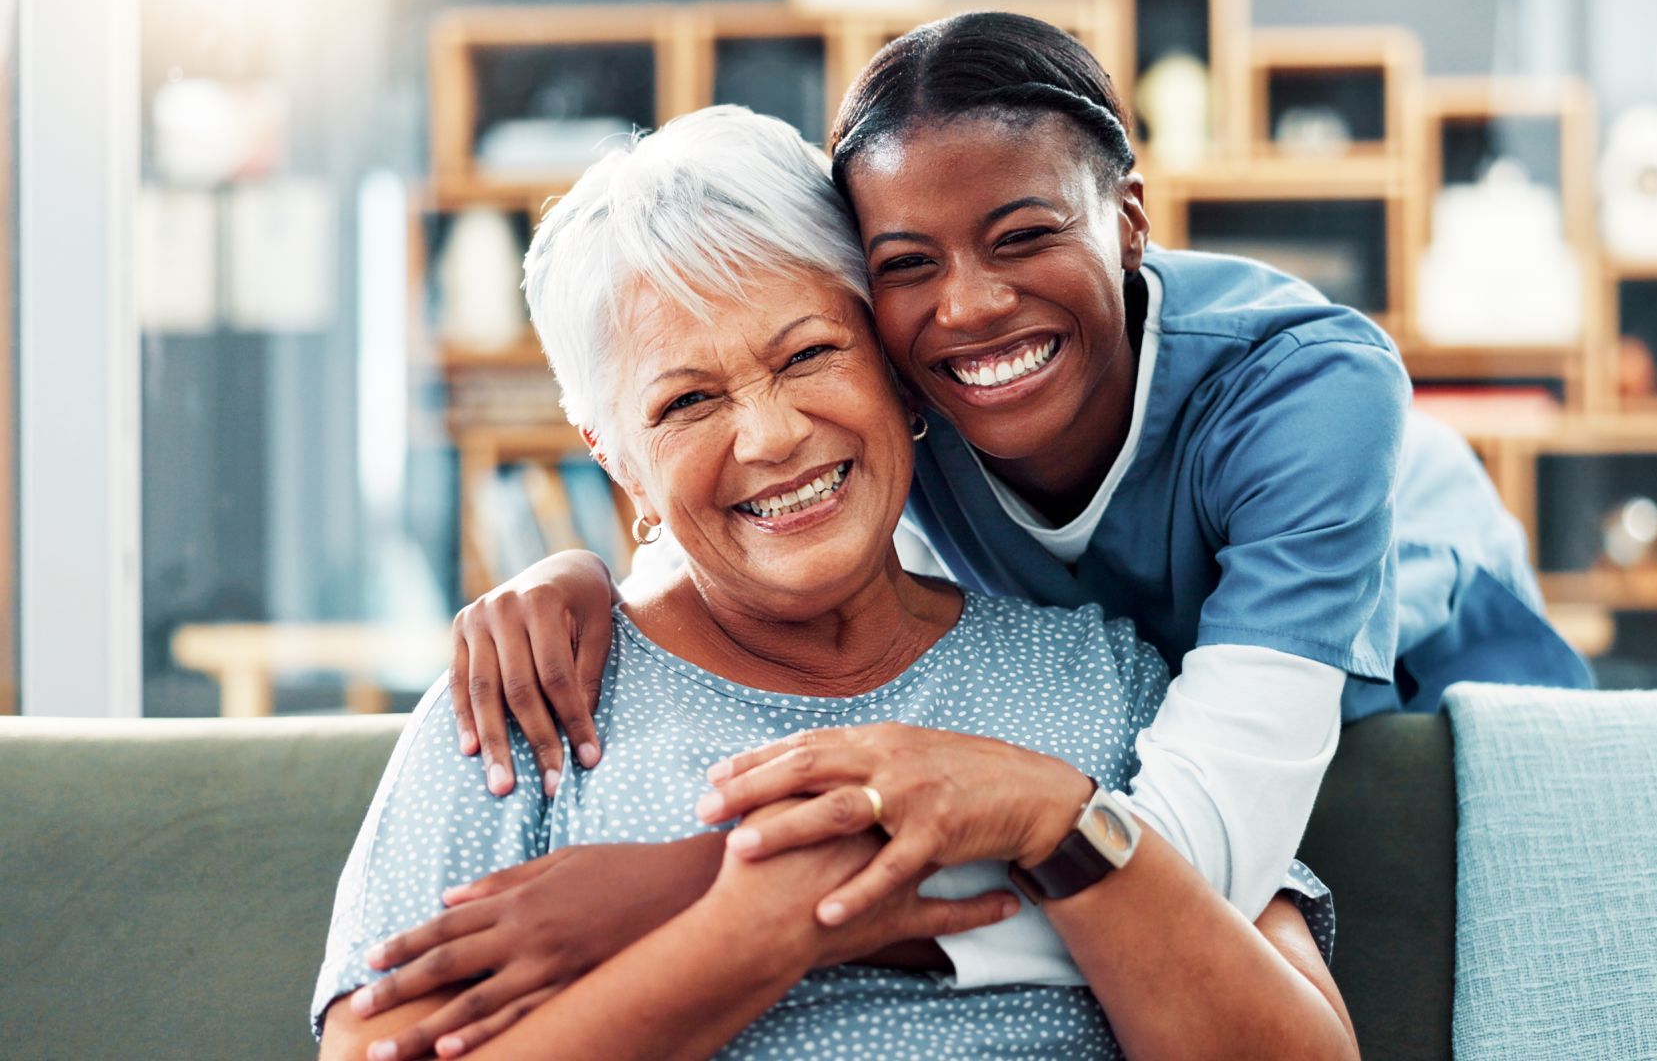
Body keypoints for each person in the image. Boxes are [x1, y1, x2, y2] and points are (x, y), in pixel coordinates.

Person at [449, 7, 1589, 928]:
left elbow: (1200, 866)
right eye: (908, 262)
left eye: (1026, 234)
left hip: (1424, 647)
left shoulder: (1302, 389)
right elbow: (763, 534)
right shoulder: (903, 395)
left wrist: (686, 894)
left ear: (1130, 219)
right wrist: (589, 579)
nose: (972, 308)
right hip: (1170, 712)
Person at [313, 105, 1354, 1060]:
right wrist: (759, 927)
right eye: (685, 404)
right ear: (614, 456)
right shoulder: (527, 697)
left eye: (809, 354)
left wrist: (1058, 819)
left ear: (894, 369)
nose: (770, 436)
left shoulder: (1094, 674)